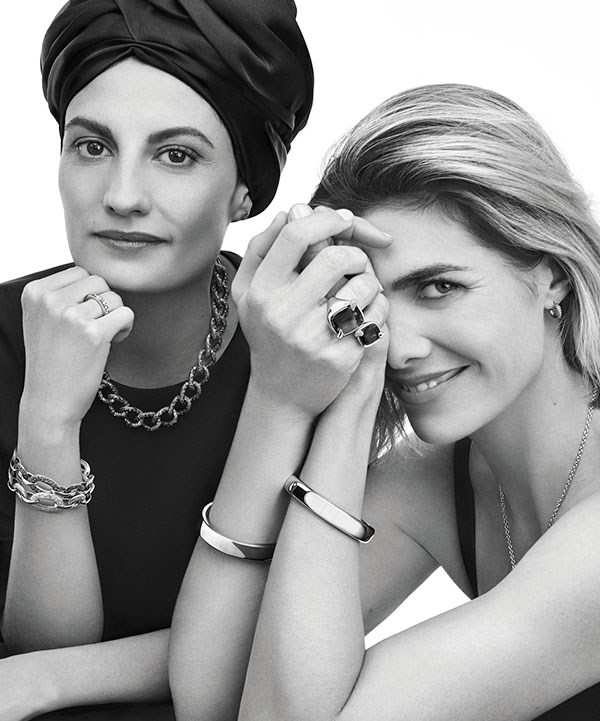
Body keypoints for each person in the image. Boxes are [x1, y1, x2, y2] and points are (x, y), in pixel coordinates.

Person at [170, 84, 600, 720]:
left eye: (438, 288)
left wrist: (347, 404)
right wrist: (277, 395)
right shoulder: (442, 476)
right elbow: (213, 691)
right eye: (363, 304)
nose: (395, 348)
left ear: (552, 275)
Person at [0, 1, 315, 718]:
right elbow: (42, 649)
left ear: (246, 189)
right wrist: (47, 420)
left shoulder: (297, 348)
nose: (122, 197)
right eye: (92, 146)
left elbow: (287, 640)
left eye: (176, 155)